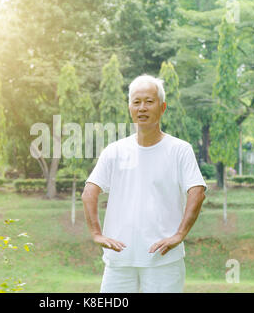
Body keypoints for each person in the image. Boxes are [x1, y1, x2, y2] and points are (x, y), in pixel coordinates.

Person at [81, 74, 207, 293]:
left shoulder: (179, 149)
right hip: (120, 259)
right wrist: (96, 233)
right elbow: (89, 192)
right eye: (136, 102)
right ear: (129, 107)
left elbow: (197, 192)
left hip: (163, 260)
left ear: (162, 107)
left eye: (149, 101)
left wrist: (179, 235)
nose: (142, 108)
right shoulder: (114, 151)